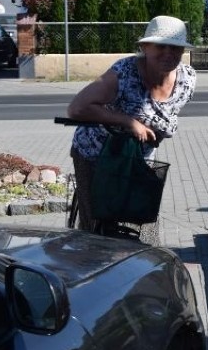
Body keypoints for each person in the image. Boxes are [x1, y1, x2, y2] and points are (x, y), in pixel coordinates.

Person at [67, 15, 196, 238]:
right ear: (145, 47)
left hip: (137, 160)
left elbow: (165, 116)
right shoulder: (124, 73)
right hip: (95, 154)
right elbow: (77, 108)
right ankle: (90, 264)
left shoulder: (188, 79)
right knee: (97, 225)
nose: (169, 53)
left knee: (138, 221)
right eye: (161, 46)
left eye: (175, 48)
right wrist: (129, 122)